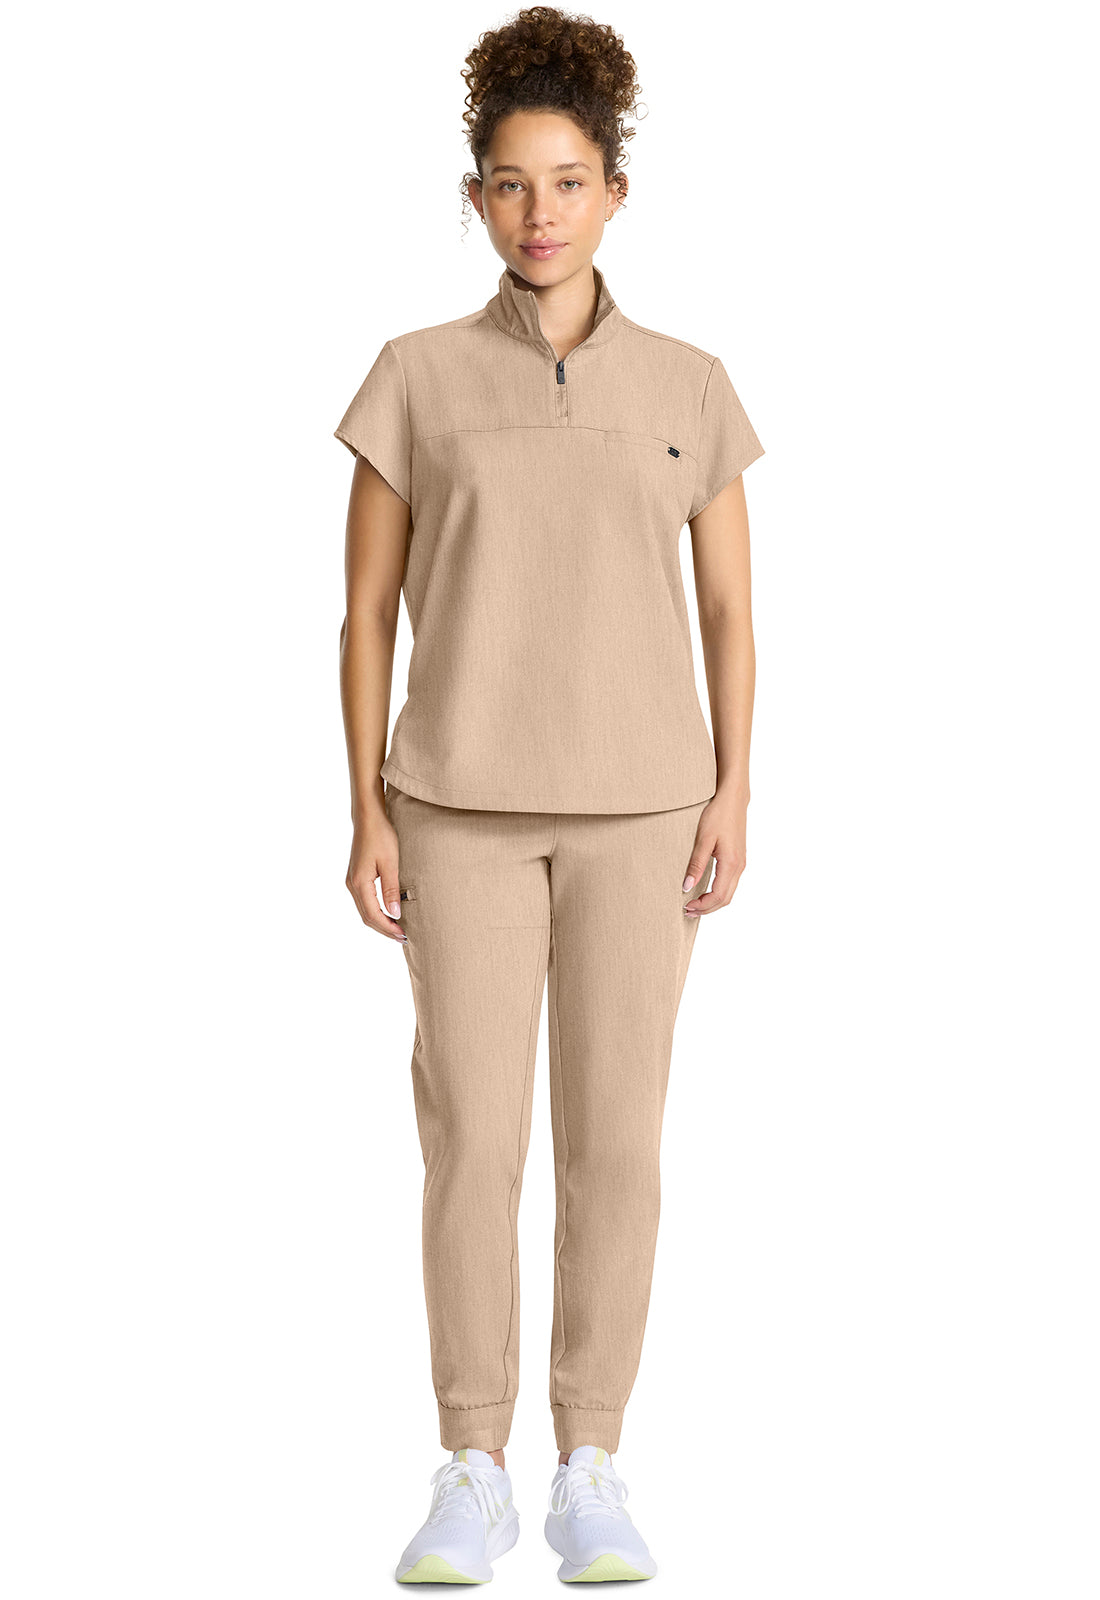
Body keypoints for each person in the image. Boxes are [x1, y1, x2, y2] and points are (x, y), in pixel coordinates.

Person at [335, 6, 764, 1584]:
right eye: (511, 185)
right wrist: (367, 811)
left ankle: (591, 1462)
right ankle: (472, 1462)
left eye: (569, 182)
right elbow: (363, 616)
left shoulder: (691, 385)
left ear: (614, 193)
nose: (540, 213)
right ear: (477, 196)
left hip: (646, 811)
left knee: (616, 1143)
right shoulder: (416, 377)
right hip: (455, 807)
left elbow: (728, 611)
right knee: (472, 1142)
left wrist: (734, 788)